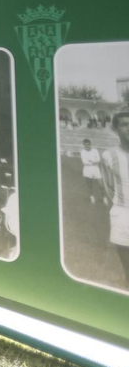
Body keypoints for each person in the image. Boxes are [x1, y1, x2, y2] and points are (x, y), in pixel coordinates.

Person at [102, 113, 129, 284]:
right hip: (122, 214)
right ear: (115, 129)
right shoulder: (108, 155)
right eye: (125, 124)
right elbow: (108, 186)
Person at [80, 137, 104, 207]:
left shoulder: (95, 150)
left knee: (101, 185)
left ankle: (104, 198)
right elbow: (84, 162)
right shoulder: (82, 152)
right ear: (84, 145)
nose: (87, 146)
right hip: (87, 170)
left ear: (90, 144)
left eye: (88, 144)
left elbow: (99, 160)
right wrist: (94, 161)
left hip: (96, 169)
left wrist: (91, 161)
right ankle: (92, 198)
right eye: (85, 145)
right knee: (90, 185)